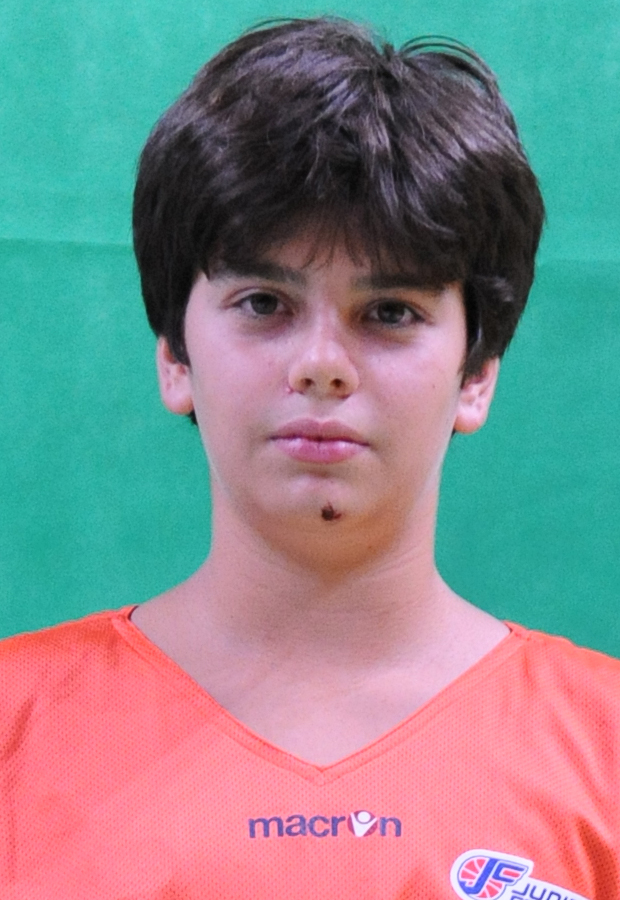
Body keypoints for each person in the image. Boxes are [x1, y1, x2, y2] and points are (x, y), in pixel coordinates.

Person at [1, 16, 618, 900]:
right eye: (263, 302)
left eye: (391, 311)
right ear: (174, 354)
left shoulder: (603, 746)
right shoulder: (16, 727)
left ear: (477, 372)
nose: (322, 363)